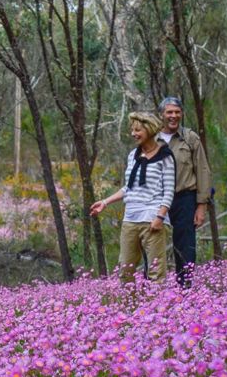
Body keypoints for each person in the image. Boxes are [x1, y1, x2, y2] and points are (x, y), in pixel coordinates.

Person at [90, 112, 175, 282]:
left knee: (156, 271)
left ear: (149, 130)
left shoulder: (165, 156)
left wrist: (160, 216)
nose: (133, 134)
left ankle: (159, 307)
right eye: (132, 130)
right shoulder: (133, 155)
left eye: (138, 130)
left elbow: (169, 190)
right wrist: (105, 202)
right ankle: (130, 307)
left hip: (153, 218)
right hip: (130, 219)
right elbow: (128, 188)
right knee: (125, 269)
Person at [157, 96, 213, 286]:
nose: (173, 116)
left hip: (184, 198)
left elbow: (203, 170)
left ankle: (186, 287)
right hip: (157, 200)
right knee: (152, 245)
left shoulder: (190, 138)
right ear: (162, 115)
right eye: (169, 112)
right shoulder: (151, 138)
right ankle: (153, 289)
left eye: (177, 112)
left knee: (185, 246)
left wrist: (202, 205)